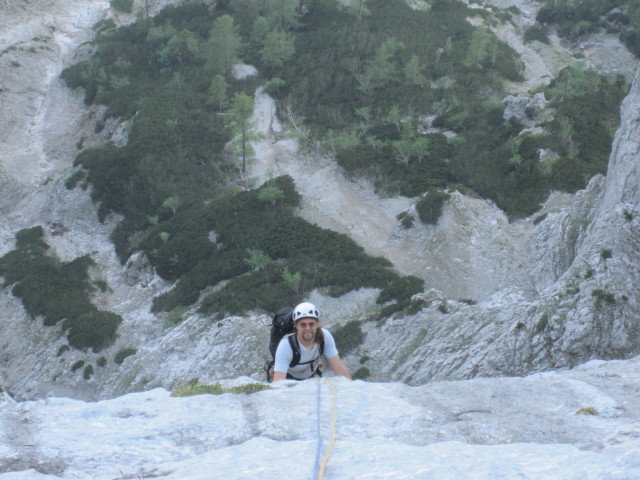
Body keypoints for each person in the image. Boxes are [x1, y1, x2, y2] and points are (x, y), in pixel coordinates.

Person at [272, 302, 351, 381]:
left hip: (311, 376)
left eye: (311, 324)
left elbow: (340, 370)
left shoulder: (324, 337)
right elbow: (278, 382)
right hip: (288, 379)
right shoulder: (287, 345)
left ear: (317, 324)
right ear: (296, 325)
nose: (307, 328)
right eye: (303, 325)